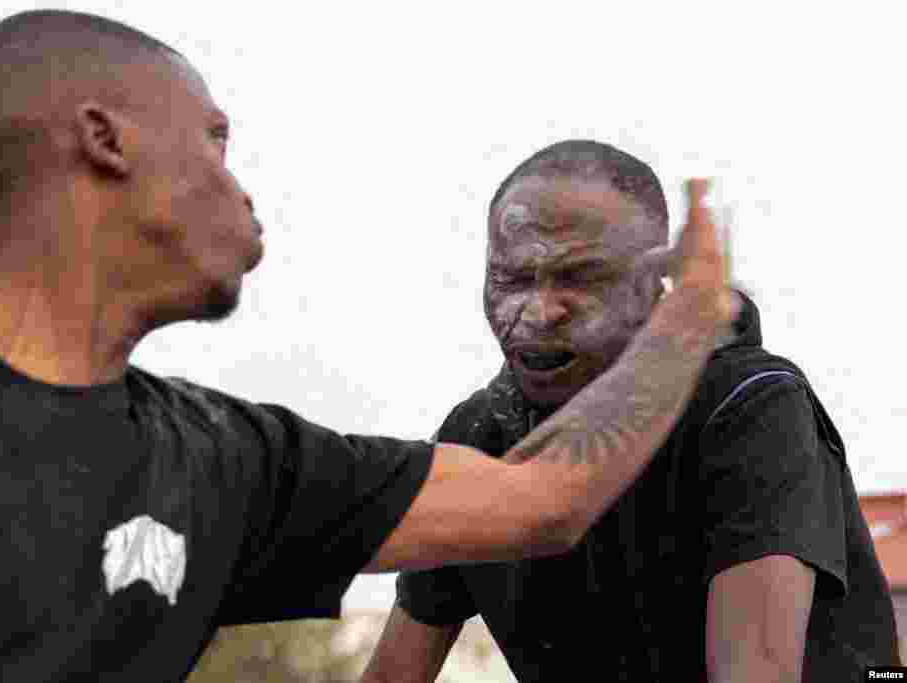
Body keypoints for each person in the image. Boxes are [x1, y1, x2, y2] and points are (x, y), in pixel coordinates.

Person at [0, 11, 736, 682]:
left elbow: (546, 496)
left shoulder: (226, 463)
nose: (243, 192)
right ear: (106, 141)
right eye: (214, 140)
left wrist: (689, 315)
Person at [360, 140, 899, 683]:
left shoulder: (746, 405)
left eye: (583, 278)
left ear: (656, 281)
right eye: (512, 279)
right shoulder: (476, 436)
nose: (540, 312)